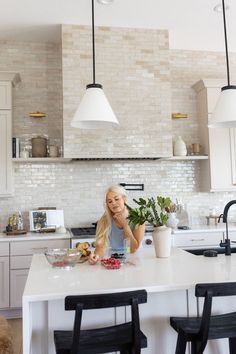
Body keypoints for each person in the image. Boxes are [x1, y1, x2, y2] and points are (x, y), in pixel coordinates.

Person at [89, 185, 145, 264]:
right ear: (107, 205)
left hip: (133, 265)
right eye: (110, 201)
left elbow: (133, 249)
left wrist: (125, 225)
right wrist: (96, 256)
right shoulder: (104, 221)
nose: (114, 203)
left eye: (116, 199)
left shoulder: (138, 220)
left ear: (124, 199)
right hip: (113, 265)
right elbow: (100, 247)